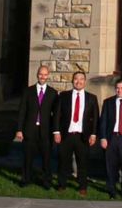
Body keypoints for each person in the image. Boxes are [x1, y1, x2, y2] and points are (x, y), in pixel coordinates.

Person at [51, 70, 99, 195]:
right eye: (76, 79)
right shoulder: (63, 96)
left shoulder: (92, 98)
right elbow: (57, 115)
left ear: (85, 81)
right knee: (63, 161)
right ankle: (61, 184)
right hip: (66, 135)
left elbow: (95, 118)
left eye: (81, 79)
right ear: (73, 81)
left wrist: (93, 134)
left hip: (82, 136)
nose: (78, 81)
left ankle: (82, 186)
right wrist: (56, 131)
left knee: (82, 162)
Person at [14, 61, 57, 189]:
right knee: (27, 157)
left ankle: (46, 181)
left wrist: (56, 131)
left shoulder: (53, 93)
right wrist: (19, 129)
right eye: (40, 74)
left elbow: (55, 115)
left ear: (48, 75)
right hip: (30, 130)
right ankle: (26, 179)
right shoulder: (28, 91)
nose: (42, 77)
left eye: (45, 74)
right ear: (37, 75)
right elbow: (22, 111)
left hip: (45, 131)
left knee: (46, 158)